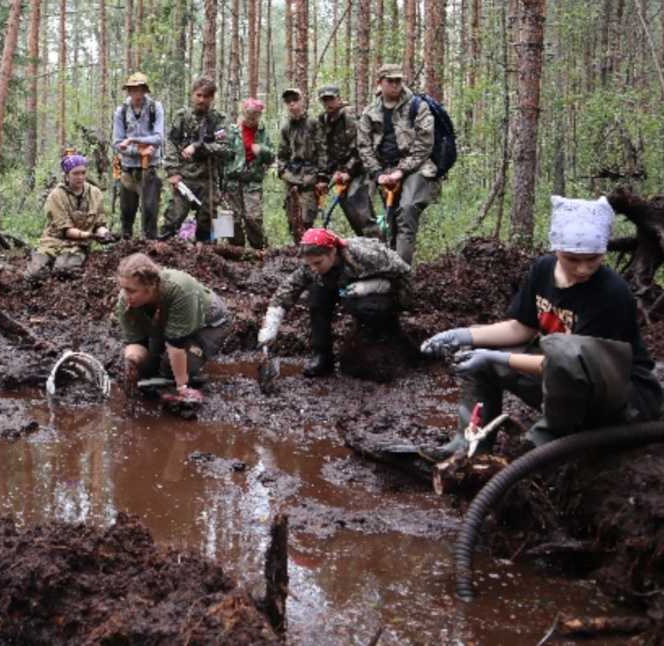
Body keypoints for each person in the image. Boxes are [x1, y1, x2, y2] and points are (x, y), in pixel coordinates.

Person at [422, 196, 663, 458]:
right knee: (477, 356)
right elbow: (520, 328)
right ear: (557, 248)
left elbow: (570, 365)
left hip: (622, 398)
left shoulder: (611, 292)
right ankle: (468, 447)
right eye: (572, 259)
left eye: (593, 259)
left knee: (552, 353)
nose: (583, 269)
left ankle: (536, 450)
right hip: (567, 382)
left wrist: (497, 357)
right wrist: (463, 335)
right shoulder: (543, 270)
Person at [257, 228, 411, 378]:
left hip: (379, 295)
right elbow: (288, 289)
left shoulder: (365, 254)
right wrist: (271, 325)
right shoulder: (313, 264)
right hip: (346, 288)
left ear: (332, 252)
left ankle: (377, 342)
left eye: (318, 263)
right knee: (317, 297)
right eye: (310, 264)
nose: (313, 268)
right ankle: (322, 355)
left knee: (365, 307)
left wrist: (375, 285)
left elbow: (404, 275)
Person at [116, 253, 232, 405]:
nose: (126, 295)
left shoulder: (180, 290)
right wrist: (131, 360)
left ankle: (192, 365)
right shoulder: (125, 301)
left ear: (150, 287)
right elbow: (136, 342)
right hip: (166, 323)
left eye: (131, 291)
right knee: (146, 368)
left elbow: (176, 346)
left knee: (170, 367)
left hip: (208, 324)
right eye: (123, 289)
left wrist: (181, 387)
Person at [357, 64, 439, 264]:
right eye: (390, 81)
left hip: (416, 168)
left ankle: (402, 272)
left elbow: (424, 144)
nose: (395, 85)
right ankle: (388, 266)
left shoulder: (417, 107)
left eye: (398, 81)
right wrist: (378, 173)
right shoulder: (370, 112)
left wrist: (402, 170)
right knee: (388, 222)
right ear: (380, 83)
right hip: (385, 171)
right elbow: (364, 146)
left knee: (407, 210)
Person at [160, 77, 233, 242]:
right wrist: (172, 170)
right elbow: (170, 142)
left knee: (208, 223)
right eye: (198, 95)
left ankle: (208, 257)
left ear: (212, 98)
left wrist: (200, 147)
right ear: (192, 95)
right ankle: (159, 251)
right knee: (174, 218)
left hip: (209, 179)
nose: (201, 100)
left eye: (206, 96)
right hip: (185, 178)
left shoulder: (219, 120)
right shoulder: (182, 117)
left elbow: (225, 148)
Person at [26, 154, 111, 280]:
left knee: (63, 271)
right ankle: (41, 261)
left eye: (83, 173)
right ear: (66, 175)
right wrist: (88, 235)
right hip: (52, 241)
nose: (80, 177)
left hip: (78, 245)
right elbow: (65, 230)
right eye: (75, 173)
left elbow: (99, 224)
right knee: (35, 275)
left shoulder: (95, 193)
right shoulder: (56, 196)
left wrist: (105, 233)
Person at [316, 85, 378, 238]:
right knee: (350, 213)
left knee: (361, 211)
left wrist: (348, 171)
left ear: (338, 98)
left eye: (331, 99)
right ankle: (364, 247)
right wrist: (323, 177)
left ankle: (379, 247)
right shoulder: (324, 119)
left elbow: (360, 147)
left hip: (358, 170)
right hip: (340, 173)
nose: (328, 103)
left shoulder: (348, 116)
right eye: (324, 100)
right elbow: (324, 151)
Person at [111, 73, 165, 240]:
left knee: (150, 210)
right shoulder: (121, 111)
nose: (136, 93)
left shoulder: (155, 108)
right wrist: (138, 151)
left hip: (150, 167)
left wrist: (134, 140)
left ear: (145, 90)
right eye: (132, 89)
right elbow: (117, 142)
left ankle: (150, 244)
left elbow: (158, 138)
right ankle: (126, 243)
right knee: (127, 211)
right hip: (127, 168)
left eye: (139, 89)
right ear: (128, 91)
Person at [223, 97, 276, 249]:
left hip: (252, 181)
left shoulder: (263, 133)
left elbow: (272, 156)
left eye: (255, 115)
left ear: (259, 115)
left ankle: (259, 248)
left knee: (254, 217)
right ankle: (233, 248)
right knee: (229, 217)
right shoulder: (232, 131)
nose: (251, 118)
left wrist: (262, 150)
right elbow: (222, 153)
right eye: (249, 114)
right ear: (243, 113)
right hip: (231, 181)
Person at [277, 87, 325, 244]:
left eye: (295, 100)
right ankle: (298, 251)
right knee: (292, 220)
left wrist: (321, 177)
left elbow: (322, 151)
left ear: (302, 101)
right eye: (288, 102)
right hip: (291, 177)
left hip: (309, 177)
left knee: (306, 219)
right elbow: (282, 154)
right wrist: (283, 172)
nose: (292, 105)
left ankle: (309, 250)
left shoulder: (313, 124)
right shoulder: (286, 128)